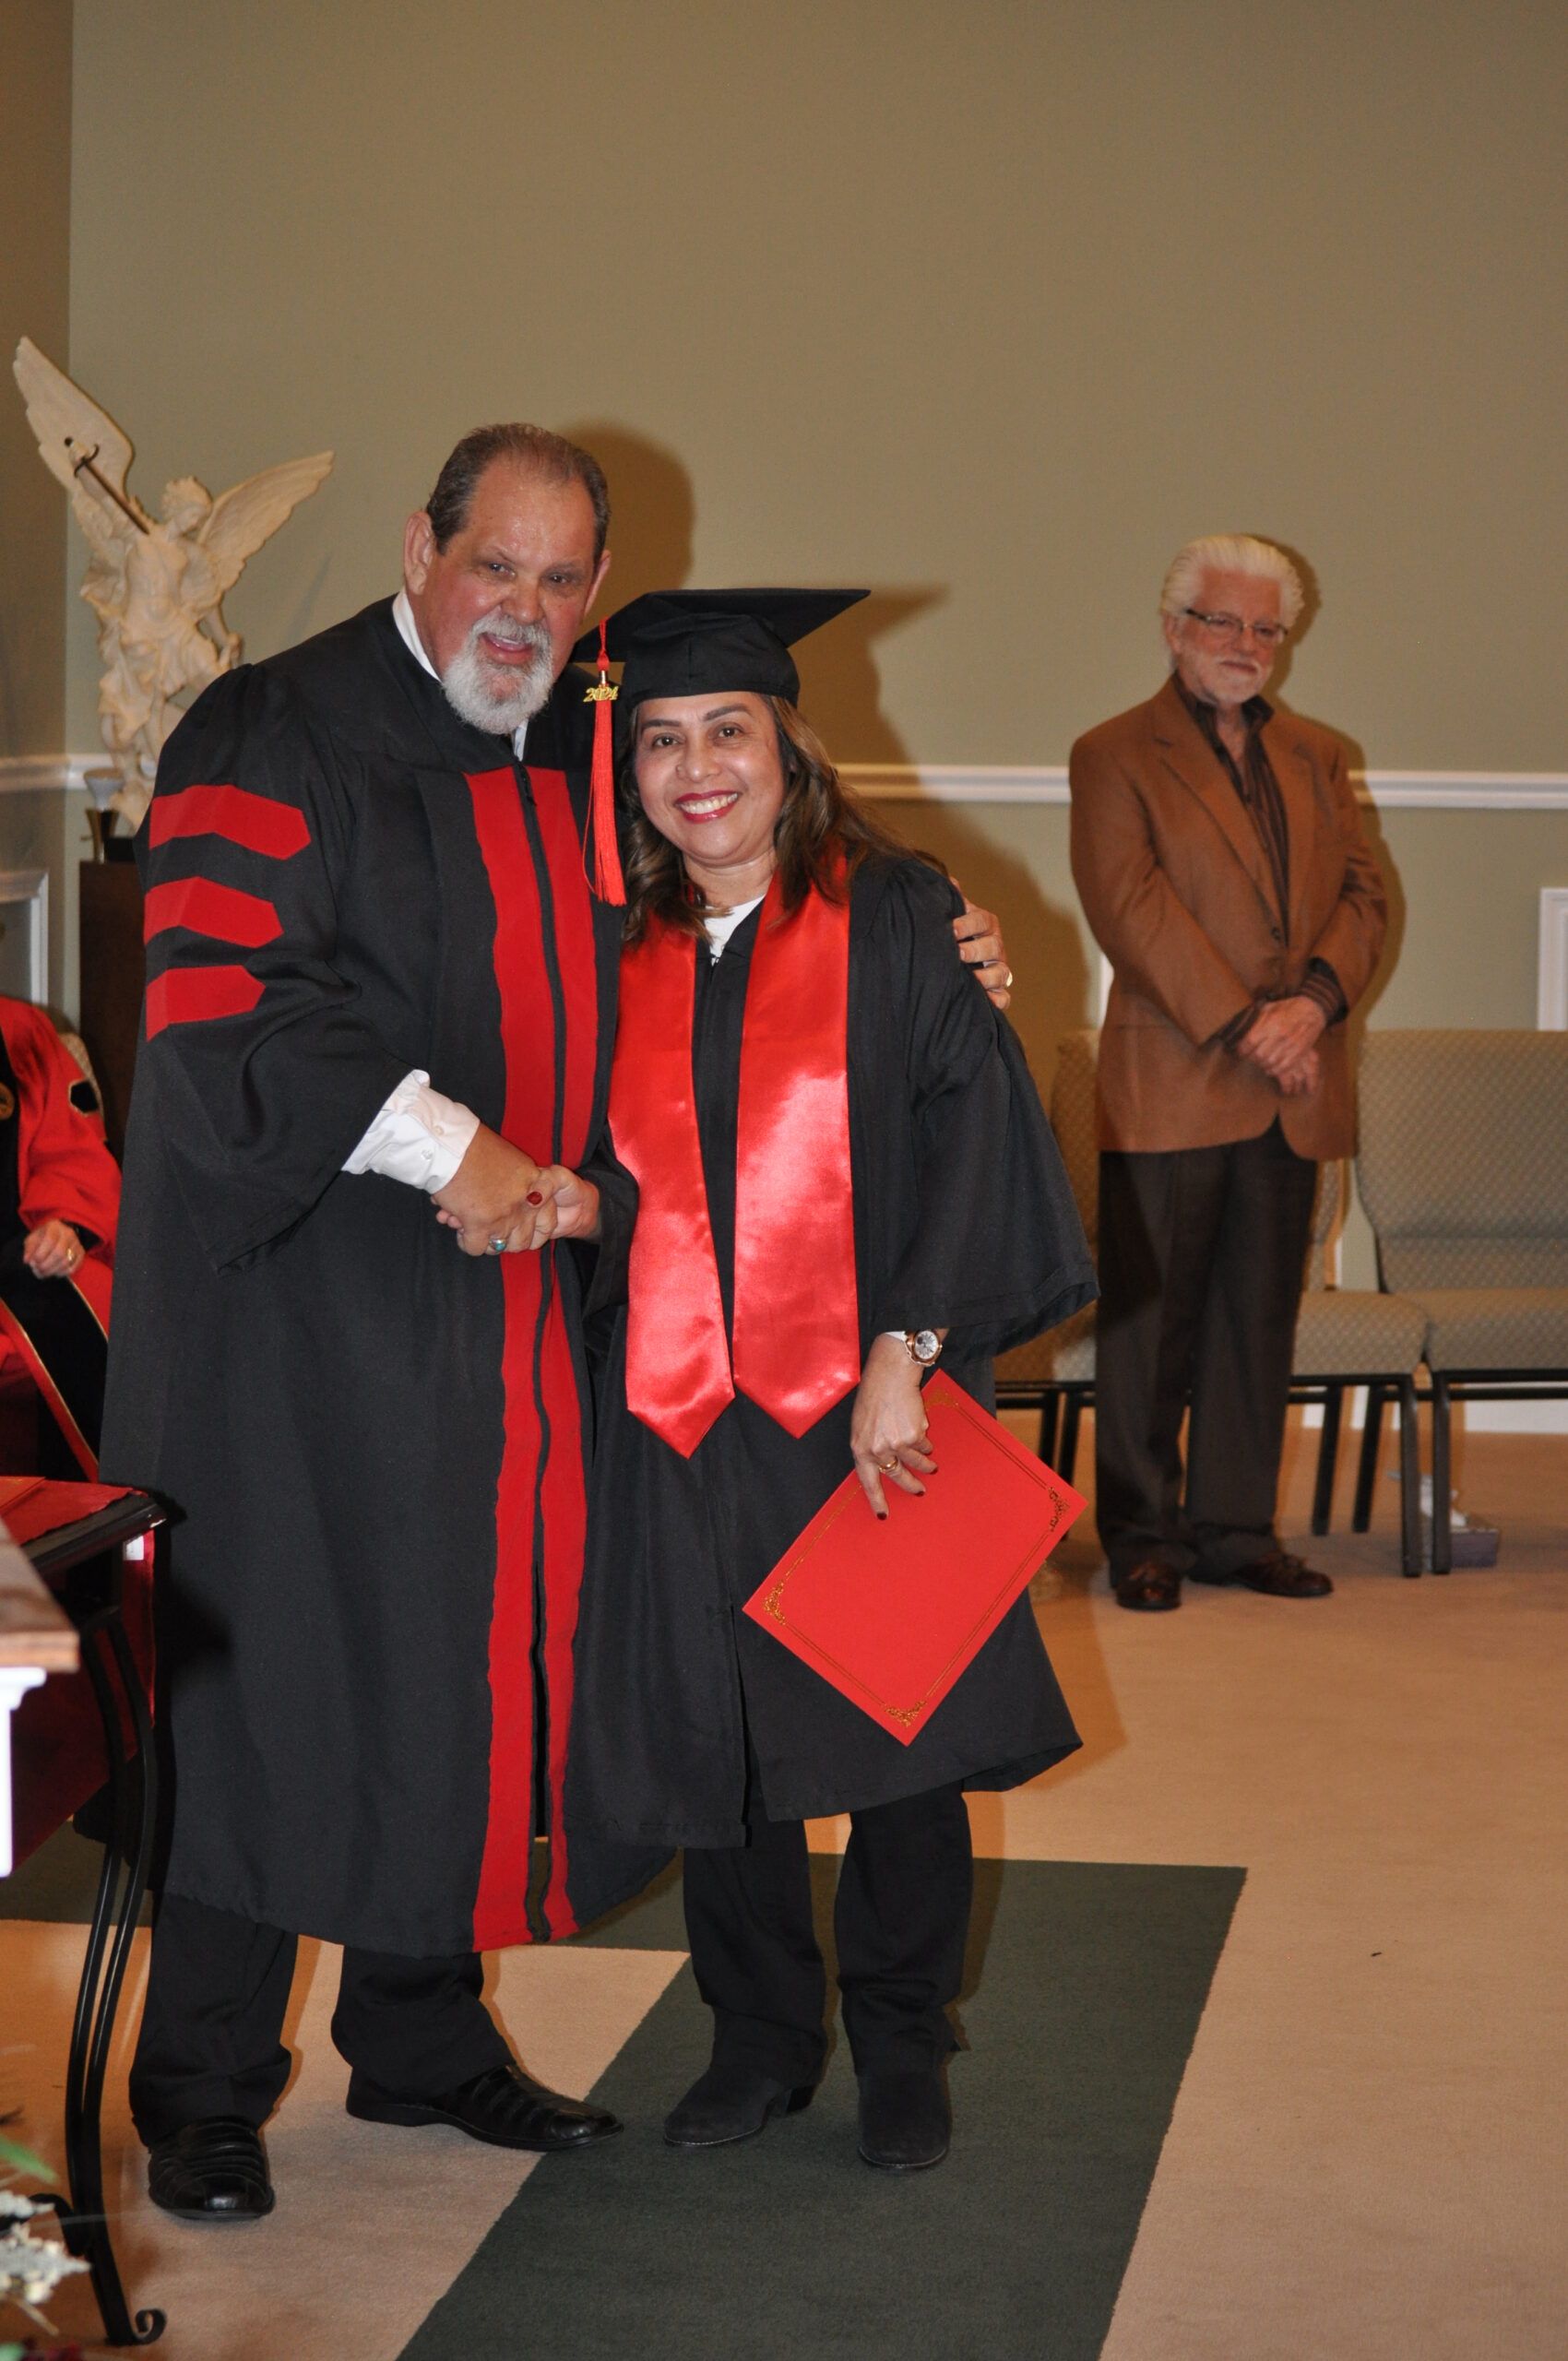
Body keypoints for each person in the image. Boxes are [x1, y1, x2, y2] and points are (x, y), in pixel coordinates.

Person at [101, 430, 1017, 2222]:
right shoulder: (272, 727)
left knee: (473, 1664)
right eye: (494, 564)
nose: (521, 608)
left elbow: (742, 873)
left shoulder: (583, 750)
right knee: (280, 1672)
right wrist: (452, 1142)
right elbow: (223, 1002)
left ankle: (421, 2032)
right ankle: (202, 2077)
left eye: (559, 577)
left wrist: (926, 939)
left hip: (536, 1318)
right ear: (419, 545)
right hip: (304, 1319)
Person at [541, 590, 1096, 2173]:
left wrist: (907, 1357)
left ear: (789, 749)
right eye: (658, 741)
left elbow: (974, 1141)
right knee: (723, 1743)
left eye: (727, 731)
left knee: (895, 1726)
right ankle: (763, 2036)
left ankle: (904, 2038)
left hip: (864, 1394)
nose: (694, 767)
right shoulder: (616, 953)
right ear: (628, 773)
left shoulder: (900, 914)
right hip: (674, 1410)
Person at [1068, 535, 1387, 1613]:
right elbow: (1127, 905)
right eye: (1223, 622)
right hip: (1172, 1078)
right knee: (1149, 1328)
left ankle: (1234, 1529)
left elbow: (1363, 896)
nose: (1245, 646)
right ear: (1173, 629)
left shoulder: (1314, 754)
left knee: (1258, 1322)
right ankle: (1142, 1534)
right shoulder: (1111, 752)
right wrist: (1248, 1020)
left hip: (1290, 1084)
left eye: (1265, 628)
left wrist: (1312, 1007)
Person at [0, 996, 119, 1477]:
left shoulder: (16, 1032)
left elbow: (69, 1149)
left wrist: (64, 1222)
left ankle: (102, 1534)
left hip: (18, 1265)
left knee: (103, 1301)